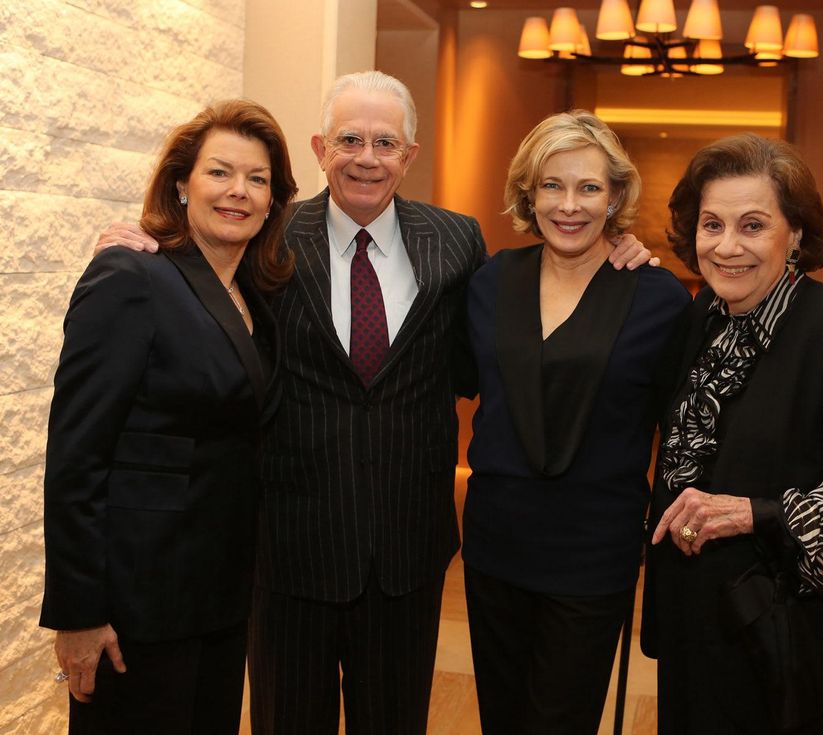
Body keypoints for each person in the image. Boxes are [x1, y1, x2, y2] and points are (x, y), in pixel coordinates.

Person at [95, 72, 653, 735]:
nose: (367, 157)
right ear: (319, 148)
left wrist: (617, 247)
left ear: (409, 155)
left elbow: (493, 359)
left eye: (385, 142)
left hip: (406, 554)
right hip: (290, 548)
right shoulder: (267, 237)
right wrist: (142, 244)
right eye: (350, 140)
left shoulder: (457, 242)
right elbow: (202, 278)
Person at [639, 133, 823, 735]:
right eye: (712, 225)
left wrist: (756, 514)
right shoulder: (704, 316)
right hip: (693, 631)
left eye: (753, 225)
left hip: (780, 647)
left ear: (795, 234)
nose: (727, 246)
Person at [40, 99, 297, 734]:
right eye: (219, 172)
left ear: (272, 201)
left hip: (220, 599)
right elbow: (76, 457)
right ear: (182, 183)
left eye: (257, 179)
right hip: (137, 610)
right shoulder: (132, 274)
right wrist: (78, 613)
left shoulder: (255, 295)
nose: (238, 191)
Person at [459, 110, 690, 735]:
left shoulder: (658, 297)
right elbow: (462, 379)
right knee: (502, 717)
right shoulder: (489, 282)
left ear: (614, 197)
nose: (569, 205)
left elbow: (682, 427)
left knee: (561, 719)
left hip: (593, 548)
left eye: (589, 187)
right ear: (528, 194)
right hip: (496, 540)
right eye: (552, 185)